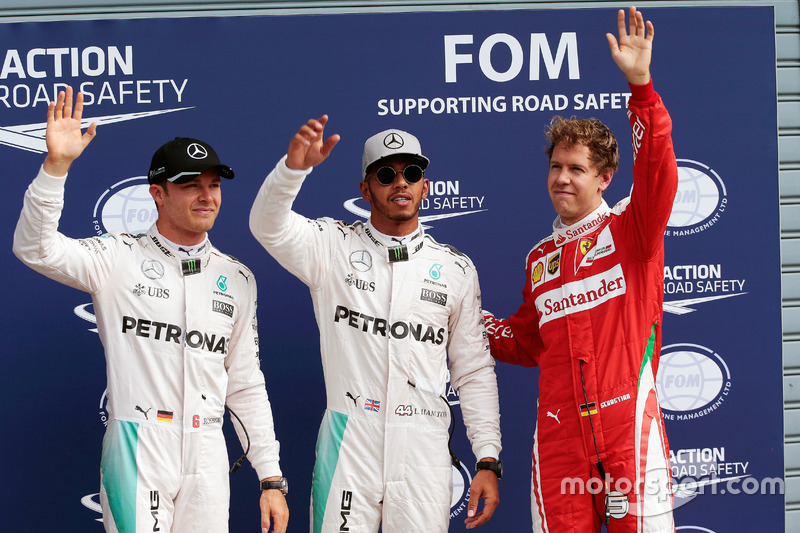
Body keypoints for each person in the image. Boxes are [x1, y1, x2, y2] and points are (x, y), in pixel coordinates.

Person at [12, 87, 289, 533]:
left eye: (213, 185)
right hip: (138, 444)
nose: (206, 196)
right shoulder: (115, 258)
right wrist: (56, 167)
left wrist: (270, 477)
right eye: (190, 185)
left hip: (208, 452)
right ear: (157, 194)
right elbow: (34, 247)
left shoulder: (237, 278)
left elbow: (245, 384)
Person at [249, 122, 502, 532]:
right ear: (366, 190)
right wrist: (293, 170)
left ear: (425, 186)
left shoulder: (456, 269)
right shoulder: (332, 247)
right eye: (386, 175)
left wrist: (488, 456)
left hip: (423, 445)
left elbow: (472, 370)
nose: (400, 183)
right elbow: (266, 225)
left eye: (411, 174)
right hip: (349, 439)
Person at [483, 7, 677, 532]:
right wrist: (462, 317)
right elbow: (526, 341)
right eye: (555, 167)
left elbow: (658, 170)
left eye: (576, 169)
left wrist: (642, 89)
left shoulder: (632, 232)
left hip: (628, 431)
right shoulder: (539, 259)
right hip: (560, 440)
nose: (562, 179)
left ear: (605, 178)